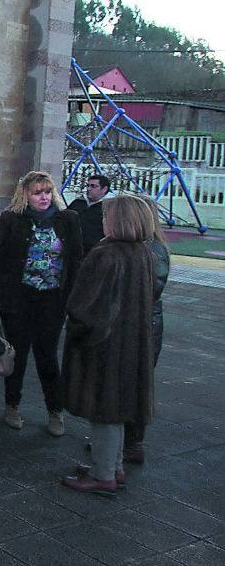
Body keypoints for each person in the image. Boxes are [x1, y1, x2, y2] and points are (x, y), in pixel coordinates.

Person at [59, 195, 156, 495]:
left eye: (106, 216)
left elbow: (85, 307)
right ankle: (113, 467)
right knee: (118, 408)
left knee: (103, 410)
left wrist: (77, 328)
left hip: (104, 347)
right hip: (130, 344)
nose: (103, 220)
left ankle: (103, 475)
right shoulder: (142, 253)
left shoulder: (106, 254)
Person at [0, 170, 84, 436]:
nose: (43, 197)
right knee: (16, 355)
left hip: (53, 298)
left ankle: (55, 410)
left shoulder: (68, 219)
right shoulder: (12, 220)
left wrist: (73, 296)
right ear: (26, 195)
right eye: (37, 192)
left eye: (47, 191)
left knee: (47, 356)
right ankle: (12, 405)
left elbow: (76, 259)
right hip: (19, 297)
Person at [122, 195, 170, 464]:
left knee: (134, 384)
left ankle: (132, 442)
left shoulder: (151, 250)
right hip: (145, 322)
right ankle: (123, 442)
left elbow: (150, 289)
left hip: (143, 324)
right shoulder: (148, 248)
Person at [66, 173, 112, 253]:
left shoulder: (110, 207)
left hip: (96, 252)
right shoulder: (78, 203)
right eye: (88, 185)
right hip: (71, 250)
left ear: (104, 189)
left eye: (93, 186)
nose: (89, 189)